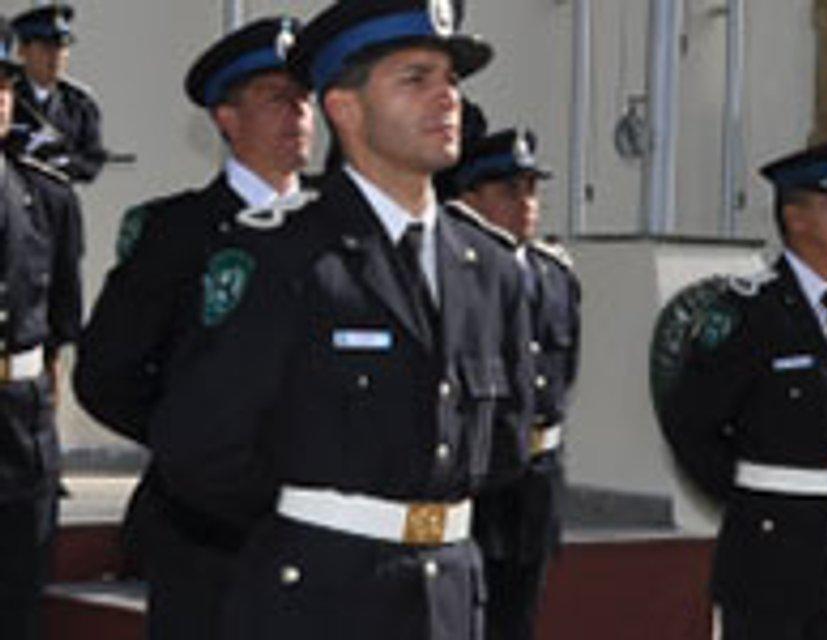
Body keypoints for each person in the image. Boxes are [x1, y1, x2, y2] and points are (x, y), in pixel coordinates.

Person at [147, 1, 533, 638]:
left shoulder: (488, 266)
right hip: (322, 596)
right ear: (344, 109)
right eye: (415, 79)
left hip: (451, 596)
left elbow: (506, 445)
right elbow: (201, 448)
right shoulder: (286, 254)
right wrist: (314, 519)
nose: (447, 99)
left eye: (452, 80)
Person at [72, 17, 313, 639]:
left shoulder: (337, 229)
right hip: (208, 530)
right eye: (276, 99)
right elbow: (106, 373)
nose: (299, 114)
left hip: (318, 531)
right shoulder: (177, 233)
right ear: (227, 120)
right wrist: (196, 443)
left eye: (305, 98)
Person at [657, 135, 827, 639]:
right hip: (770, 550)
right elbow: (690, 423)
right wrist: (751, 496)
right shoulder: (748, 312)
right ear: (796, 219)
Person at [453, 128, 581, 640]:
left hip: (536, 476)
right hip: (480, 476)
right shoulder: (459, 274)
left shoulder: (555, 275)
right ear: (470, 199)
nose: (526, 203)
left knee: (519, 618)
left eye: (532, 189)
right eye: (510, 191)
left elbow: (562, 374)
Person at [0, 17, 83, 640]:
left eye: (6, 87)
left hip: (19, 420)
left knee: (22, 590)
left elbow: (58, 312)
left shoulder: (43, 194)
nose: (0, 100)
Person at [9, 4, 106, 183]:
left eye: (62, 48)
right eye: (46, 48)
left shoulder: (80, 103)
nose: (56, 56)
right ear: (23, 51)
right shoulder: (7, 96)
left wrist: (62, 162)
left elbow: (93, 161)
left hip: (57, 201)